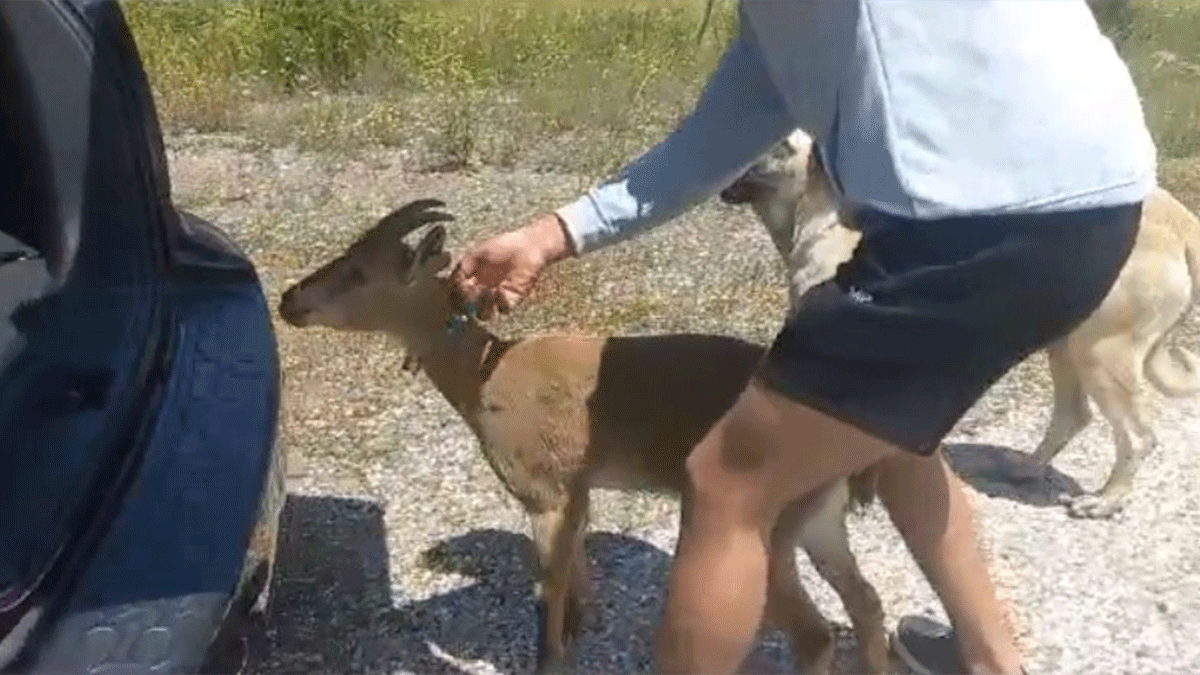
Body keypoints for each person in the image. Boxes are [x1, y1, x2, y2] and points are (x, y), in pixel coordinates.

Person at [451, 2, 1156, 674]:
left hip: (968, 223)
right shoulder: (780, 20)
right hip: (1103, 200)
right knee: (893, 431)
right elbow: (715, 141)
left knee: (728, 480)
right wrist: (555, 233)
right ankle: (988, 658)